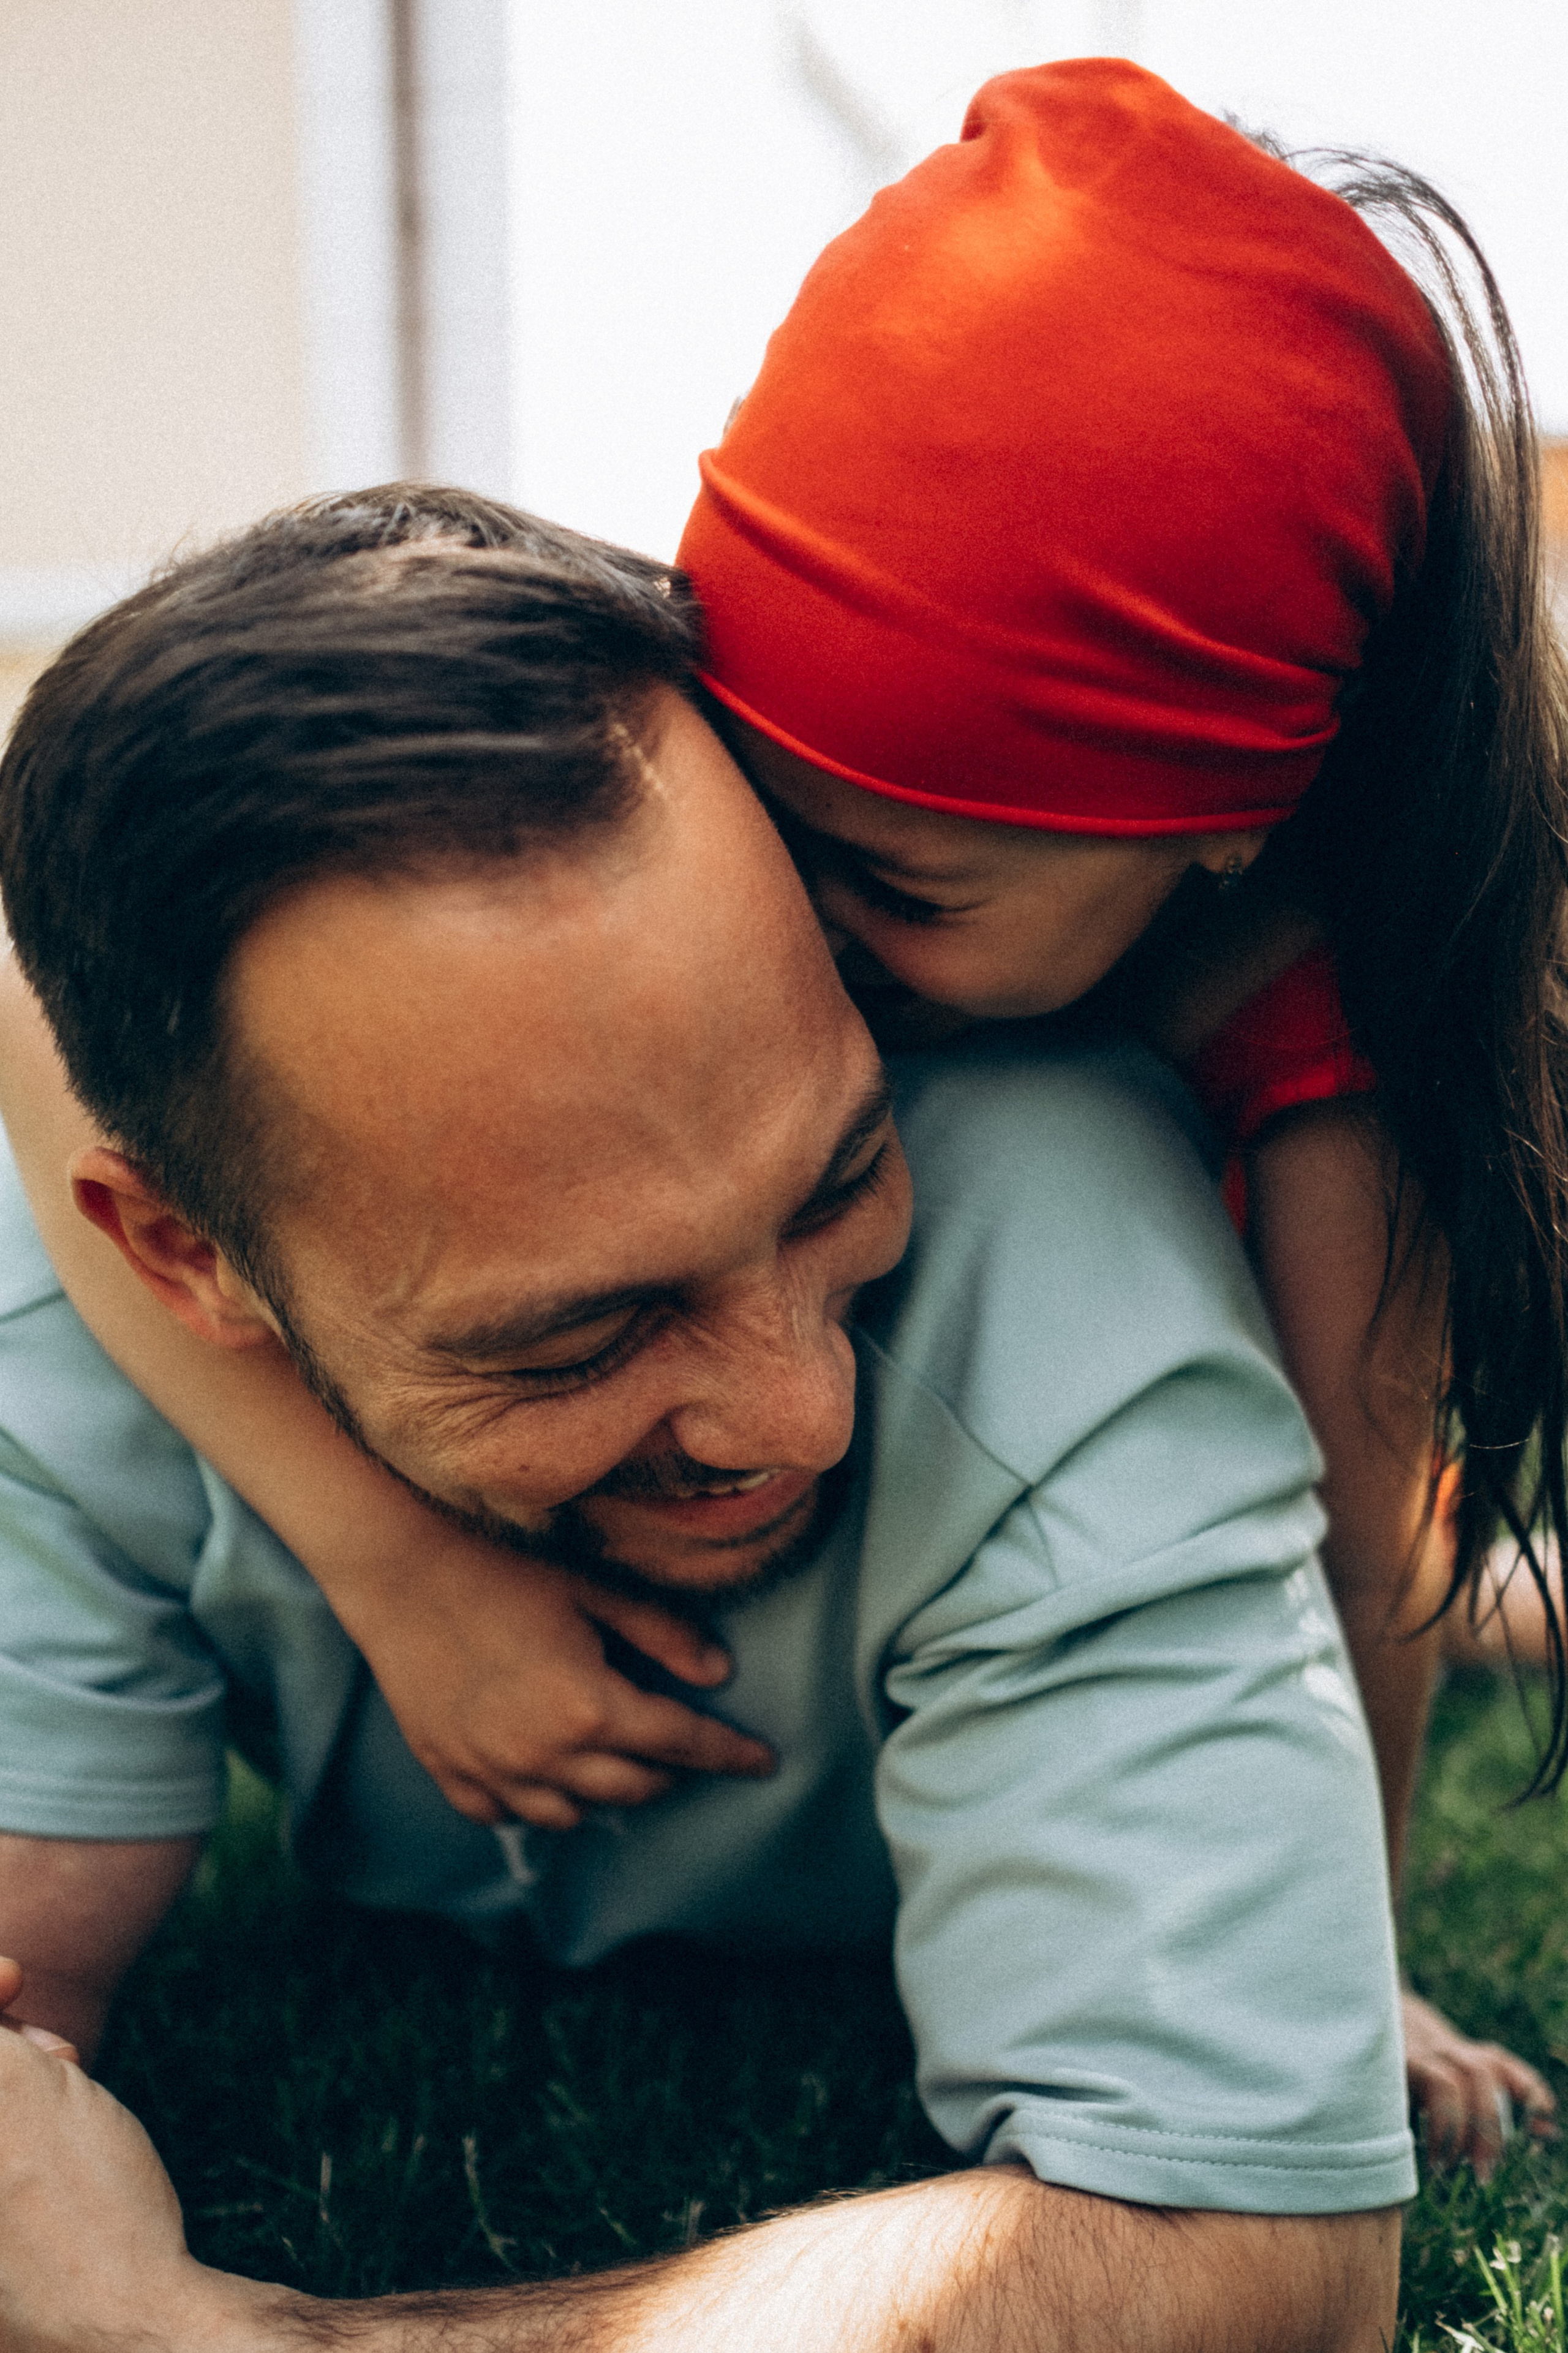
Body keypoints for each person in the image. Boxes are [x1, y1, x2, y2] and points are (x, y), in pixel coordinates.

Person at [2, 59, 1561, 2167]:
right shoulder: (804, 714)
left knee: (1393, 1572)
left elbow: (1352, 1536)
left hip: (1156, 1535)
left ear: (1218, 834)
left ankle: (1507, 1610)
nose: (794, 939)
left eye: (896, 895)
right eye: (766, 815)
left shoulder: (1325, 1088)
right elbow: (51, 987)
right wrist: (393, 1565)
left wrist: (1341, 1943)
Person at [0, 494, 1409, 2346]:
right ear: (188, 1261)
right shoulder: (59, 1343)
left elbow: (1262, 2259)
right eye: (583, 1332)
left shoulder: (1068, 1275)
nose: (804, 1413)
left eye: (840, 1178)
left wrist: (237, 2339)